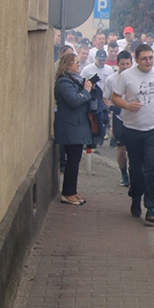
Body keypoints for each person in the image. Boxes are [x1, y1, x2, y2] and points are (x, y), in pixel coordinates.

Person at [111, 44, 154, 224]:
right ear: (136, 60)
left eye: (151, 58)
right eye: (144, 58)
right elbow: (115, 97)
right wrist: (128, 106)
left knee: (152, 167)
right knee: (136, 169)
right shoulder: (126, 75)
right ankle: (136, 196)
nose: (148, 61)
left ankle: (152, 207)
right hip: (131, 129)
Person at [54, 53, 93, 206]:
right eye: (76, 63)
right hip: (70, 127)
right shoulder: (64, 82)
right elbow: (74, 101)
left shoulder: (73, 80)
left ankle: (72, 190)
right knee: (72, 161)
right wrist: (86, 91)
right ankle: (67, 193)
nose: (78, 65)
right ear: (68, 65)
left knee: (75, 160)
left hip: (76, 126)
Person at [104, 50, 134, 187]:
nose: (125, 67)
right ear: (118, 64)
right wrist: (111, 107)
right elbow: (104, 97)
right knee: (121, 149)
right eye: (122, 64)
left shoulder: (137, 77)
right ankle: (123, 173)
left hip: (134, 118)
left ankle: (134, 172)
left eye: (128, 64)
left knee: (133, 148)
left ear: (132, 63)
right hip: (119, 118)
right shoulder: (111, 80)